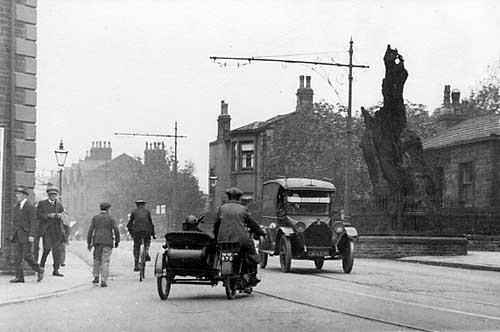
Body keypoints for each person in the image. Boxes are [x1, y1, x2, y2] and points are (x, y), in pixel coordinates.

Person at [213, 187, 266, 286]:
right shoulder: (243, 209)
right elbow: (252, 224)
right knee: (252, 254)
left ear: (228, 197)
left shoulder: (221, 208)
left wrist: (216, 236)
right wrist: (260, 231)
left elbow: (216, 224)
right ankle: (252, 276)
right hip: (241, 241)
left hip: (223, 241)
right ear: (239, 198)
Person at [9, 186, 44, 283]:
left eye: (19, 194)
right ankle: (19, 277)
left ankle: (39, 269)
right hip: (17, 235)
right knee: (17, 257)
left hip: (26, 235)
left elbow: (33, 222)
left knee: (27, 256)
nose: (17, 196)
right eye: (17, 194)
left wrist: (32, 235)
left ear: (24, 196)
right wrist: (13, 234)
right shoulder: (16, 207)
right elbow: (15, 222)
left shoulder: (30, 207)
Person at [87, 202, 120, 288]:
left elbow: (90, 231)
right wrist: (117, 241)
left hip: (97, 242)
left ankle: (96, 276)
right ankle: (103, 280)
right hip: (108, 242)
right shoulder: (110, 218)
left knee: (97, 259)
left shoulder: (95, 218)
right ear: (108, 209)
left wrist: (89, 243)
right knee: (105, 261)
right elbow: (116, 230)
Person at [37, 186, 66, 277]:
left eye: (55, 195)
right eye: (51, 195)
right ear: (48, 195)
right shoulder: (42, 204)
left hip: (57, 231)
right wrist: (49, 216)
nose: (53, 196)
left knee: (57, 250)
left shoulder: (59, 205)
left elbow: (63, 215)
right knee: (46, 249)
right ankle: (41, 268)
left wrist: (59, 216)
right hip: (47, 230)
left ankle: (56, 269)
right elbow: (38, 214)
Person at [127, 199, 155, 271]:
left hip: (136, 232)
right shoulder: (147, 212)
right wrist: (153, 234)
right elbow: (151, 223)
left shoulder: (134, 212)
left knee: (136, 246)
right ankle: (146, 251)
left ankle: (136, 264)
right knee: (147, 241)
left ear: (137, 205)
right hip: (146, 231)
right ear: (144, 205)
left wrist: (131, 232)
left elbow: (129, 224)